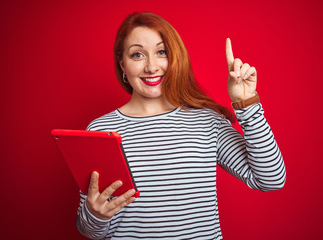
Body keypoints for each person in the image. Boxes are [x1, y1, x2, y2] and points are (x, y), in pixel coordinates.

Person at [76, 12, 286, 240]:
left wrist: (247, 103)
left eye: (161, 52)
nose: (151, 66)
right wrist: (96, 215)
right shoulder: (100, 131)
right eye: (137, 54)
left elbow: (270, 179)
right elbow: (91, 231)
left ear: (175, 57)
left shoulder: (207, 120)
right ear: (122, 64)